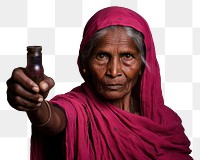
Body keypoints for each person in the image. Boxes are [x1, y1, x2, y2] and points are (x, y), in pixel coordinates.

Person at [6, 6, 192, 160]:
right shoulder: (77, 107)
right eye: (102, 56)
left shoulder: (166, 122)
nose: (113, 71)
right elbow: (54, 119)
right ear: (84, 64)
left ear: (143, 65)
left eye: (127, 56)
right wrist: (34, 104)